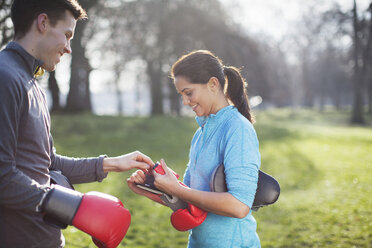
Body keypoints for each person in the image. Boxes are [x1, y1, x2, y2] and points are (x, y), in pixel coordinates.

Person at [0, 0, 154, 247]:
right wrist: (74, 207)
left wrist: (112, 163)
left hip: (47, 239)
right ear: (43, 23)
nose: (68, 48)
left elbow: (46, 163)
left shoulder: (31, 83)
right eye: (67, 35)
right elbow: (2, 176)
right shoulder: (5, 77)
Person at [127, 50, 261, 247]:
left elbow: (239, 206)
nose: (185, 102)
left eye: (189, 93)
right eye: (181, 95)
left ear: (213, 84)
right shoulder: (201, 134)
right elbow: (190, 201)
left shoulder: (238, 129)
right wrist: (151, 188)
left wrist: (177, 189)